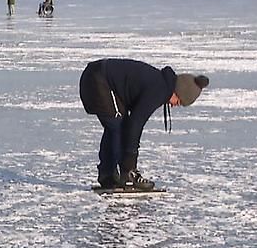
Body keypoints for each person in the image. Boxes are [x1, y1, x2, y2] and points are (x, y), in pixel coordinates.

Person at [79, 58, 209, 190]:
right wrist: (130, 162)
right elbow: (135, 124)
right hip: (98, 79)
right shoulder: (159, 90)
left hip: (97, 75)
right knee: (118, 126)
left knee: (117, 126)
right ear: (178, 91)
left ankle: (108, 175)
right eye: (179, 101)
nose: (176, 105)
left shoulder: (161, 84)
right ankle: (125, 174)